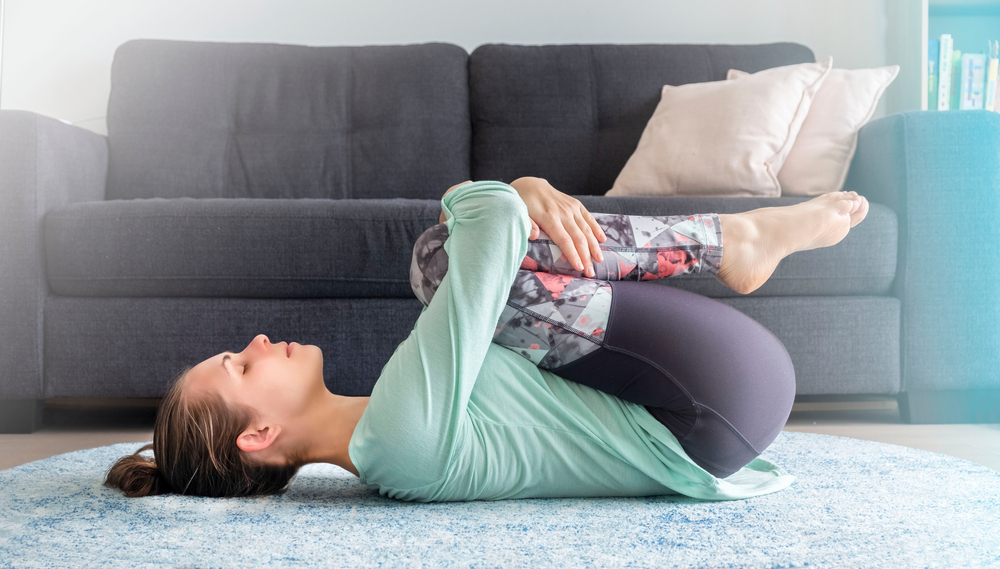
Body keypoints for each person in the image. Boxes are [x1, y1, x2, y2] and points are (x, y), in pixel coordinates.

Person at [104, 177, 869, 500]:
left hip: (714, 397)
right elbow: (493, 222)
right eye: (242, 363)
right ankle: (730, 239)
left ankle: (734, 241)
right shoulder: (399, 434)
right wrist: (520, 189)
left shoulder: (390, 429)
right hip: (712, 402)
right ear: (260, 433)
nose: (260, 339)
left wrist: (512, 205)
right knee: (437, 263)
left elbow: (499, 233)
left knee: (455, 263)